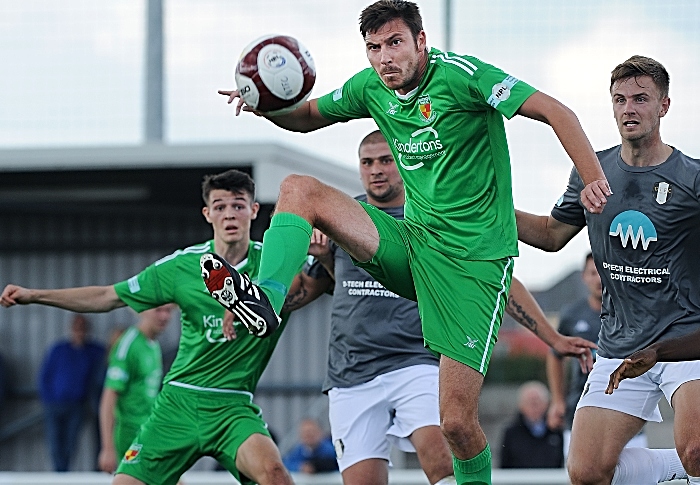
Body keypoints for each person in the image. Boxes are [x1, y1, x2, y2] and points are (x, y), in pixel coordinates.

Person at [209, 2, 610, 483]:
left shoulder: (465, 77)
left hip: (473, 266)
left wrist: (591, 177)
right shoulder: (370, 86)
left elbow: (553, 110)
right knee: (298, 189)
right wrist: (265, 105)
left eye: (395, 43)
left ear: (421, 42)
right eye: (374, 48)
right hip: (412, 243)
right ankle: (265, 299)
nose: (384, 58)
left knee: (457, 425)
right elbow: (310, 114)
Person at [272, 130, 596, 485]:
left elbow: (496, 280)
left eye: (385, 160)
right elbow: (312, 289)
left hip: (418, 361)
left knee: (443, 456)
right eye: (367, 163)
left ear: (403, 161)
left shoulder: (434, 214)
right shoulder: (344, 217)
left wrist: (551, 336)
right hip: (351, 370)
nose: (376, 170)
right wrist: (276, 291)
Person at [1, 169, 296, 485]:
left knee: (275, 475)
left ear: (254, 210)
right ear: (207, 214)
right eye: (220, 206)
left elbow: (320, 279)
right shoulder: (182, 266)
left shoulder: (275, 265)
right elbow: (106, 296)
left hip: (233, 405)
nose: (229, 214)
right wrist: (35, 295)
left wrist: (324, 250)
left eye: (238, 205)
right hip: (178, 404)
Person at [515, 55, 698, 485]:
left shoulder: (691, 180)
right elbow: (550, 234)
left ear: (664, 106)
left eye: (640, 99)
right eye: (619, 100)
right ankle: (676, 470)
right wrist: (491, 209)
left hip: (686, 342)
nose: (628, 109)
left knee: (696, 449)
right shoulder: (591, 171)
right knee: (587, 473)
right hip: (620, 344)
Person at [546, 253, 646, 457]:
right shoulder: (571, 315)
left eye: (603, 272)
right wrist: (557, 400)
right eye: (593, 273)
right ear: (584, 277)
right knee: (581, 475)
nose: (599, 279)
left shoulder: (632, 313)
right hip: (580, 410)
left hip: (626, 412)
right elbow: (555, 354)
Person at [98, 304, 175, 474]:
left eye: (168, 310)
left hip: (148, 435)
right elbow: (109, 396)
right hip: (131, 439)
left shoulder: (153, 345)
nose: (164, 316)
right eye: (159, 310)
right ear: (142, 310)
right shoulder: (128, 344)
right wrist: (107, 448)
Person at [38, 314, 106, 472]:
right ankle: (59, 474)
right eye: (77, 328)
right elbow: (44, 376)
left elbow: (109, 357)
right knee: (55, 443)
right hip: (54, 404)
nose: (79, 331)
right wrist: (48, 398)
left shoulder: (93, 351)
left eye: (82, 328)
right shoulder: (58, 349)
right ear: (71, 329)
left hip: (77, 405)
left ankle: (64, 472)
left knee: (70, 443)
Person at [500, 381, 563, 469]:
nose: (534, 406)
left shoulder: (557, 431)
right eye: (529, 402)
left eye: (537, 402)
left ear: (546, 403)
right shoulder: (511, 433)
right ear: (521, 405)